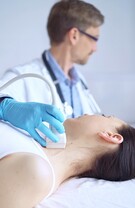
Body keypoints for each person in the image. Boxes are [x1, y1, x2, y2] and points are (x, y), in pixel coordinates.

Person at [0, 0, 104, 146]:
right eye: (94, 39)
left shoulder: (79, 81)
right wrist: (5, 108)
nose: (95, 48)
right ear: (74, 35)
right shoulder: (23, 75)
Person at [0, 114, 135, 208]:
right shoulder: (36, 130)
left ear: (111, 136)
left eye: (105, 116)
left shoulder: (36, 174)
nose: (91, 113)